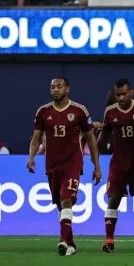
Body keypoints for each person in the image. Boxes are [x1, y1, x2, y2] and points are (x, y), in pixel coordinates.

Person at [27, 77, 102, 256]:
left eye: (59, 87)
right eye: (52, 87)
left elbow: (91, 138)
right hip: (52, 165)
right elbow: (36, 138)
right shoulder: (43, 112)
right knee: (60, 205)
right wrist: (31, 157)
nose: (55, 90)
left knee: (67, 200)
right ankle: (71, 243)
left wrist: (96, 165)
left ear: (67, 89)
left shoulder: (79, 111)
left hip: (73, 163)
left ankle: (62, 241)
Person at [98, 79, 134, 253]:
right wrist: (95, 156)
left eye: (124, 93)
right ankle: (109, 240)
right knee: (113, 200)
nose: (121, 97)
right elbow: (104, 136)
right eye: (118, 94)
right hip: (118, 164)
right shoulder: (110, 112)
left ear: (131, 92)